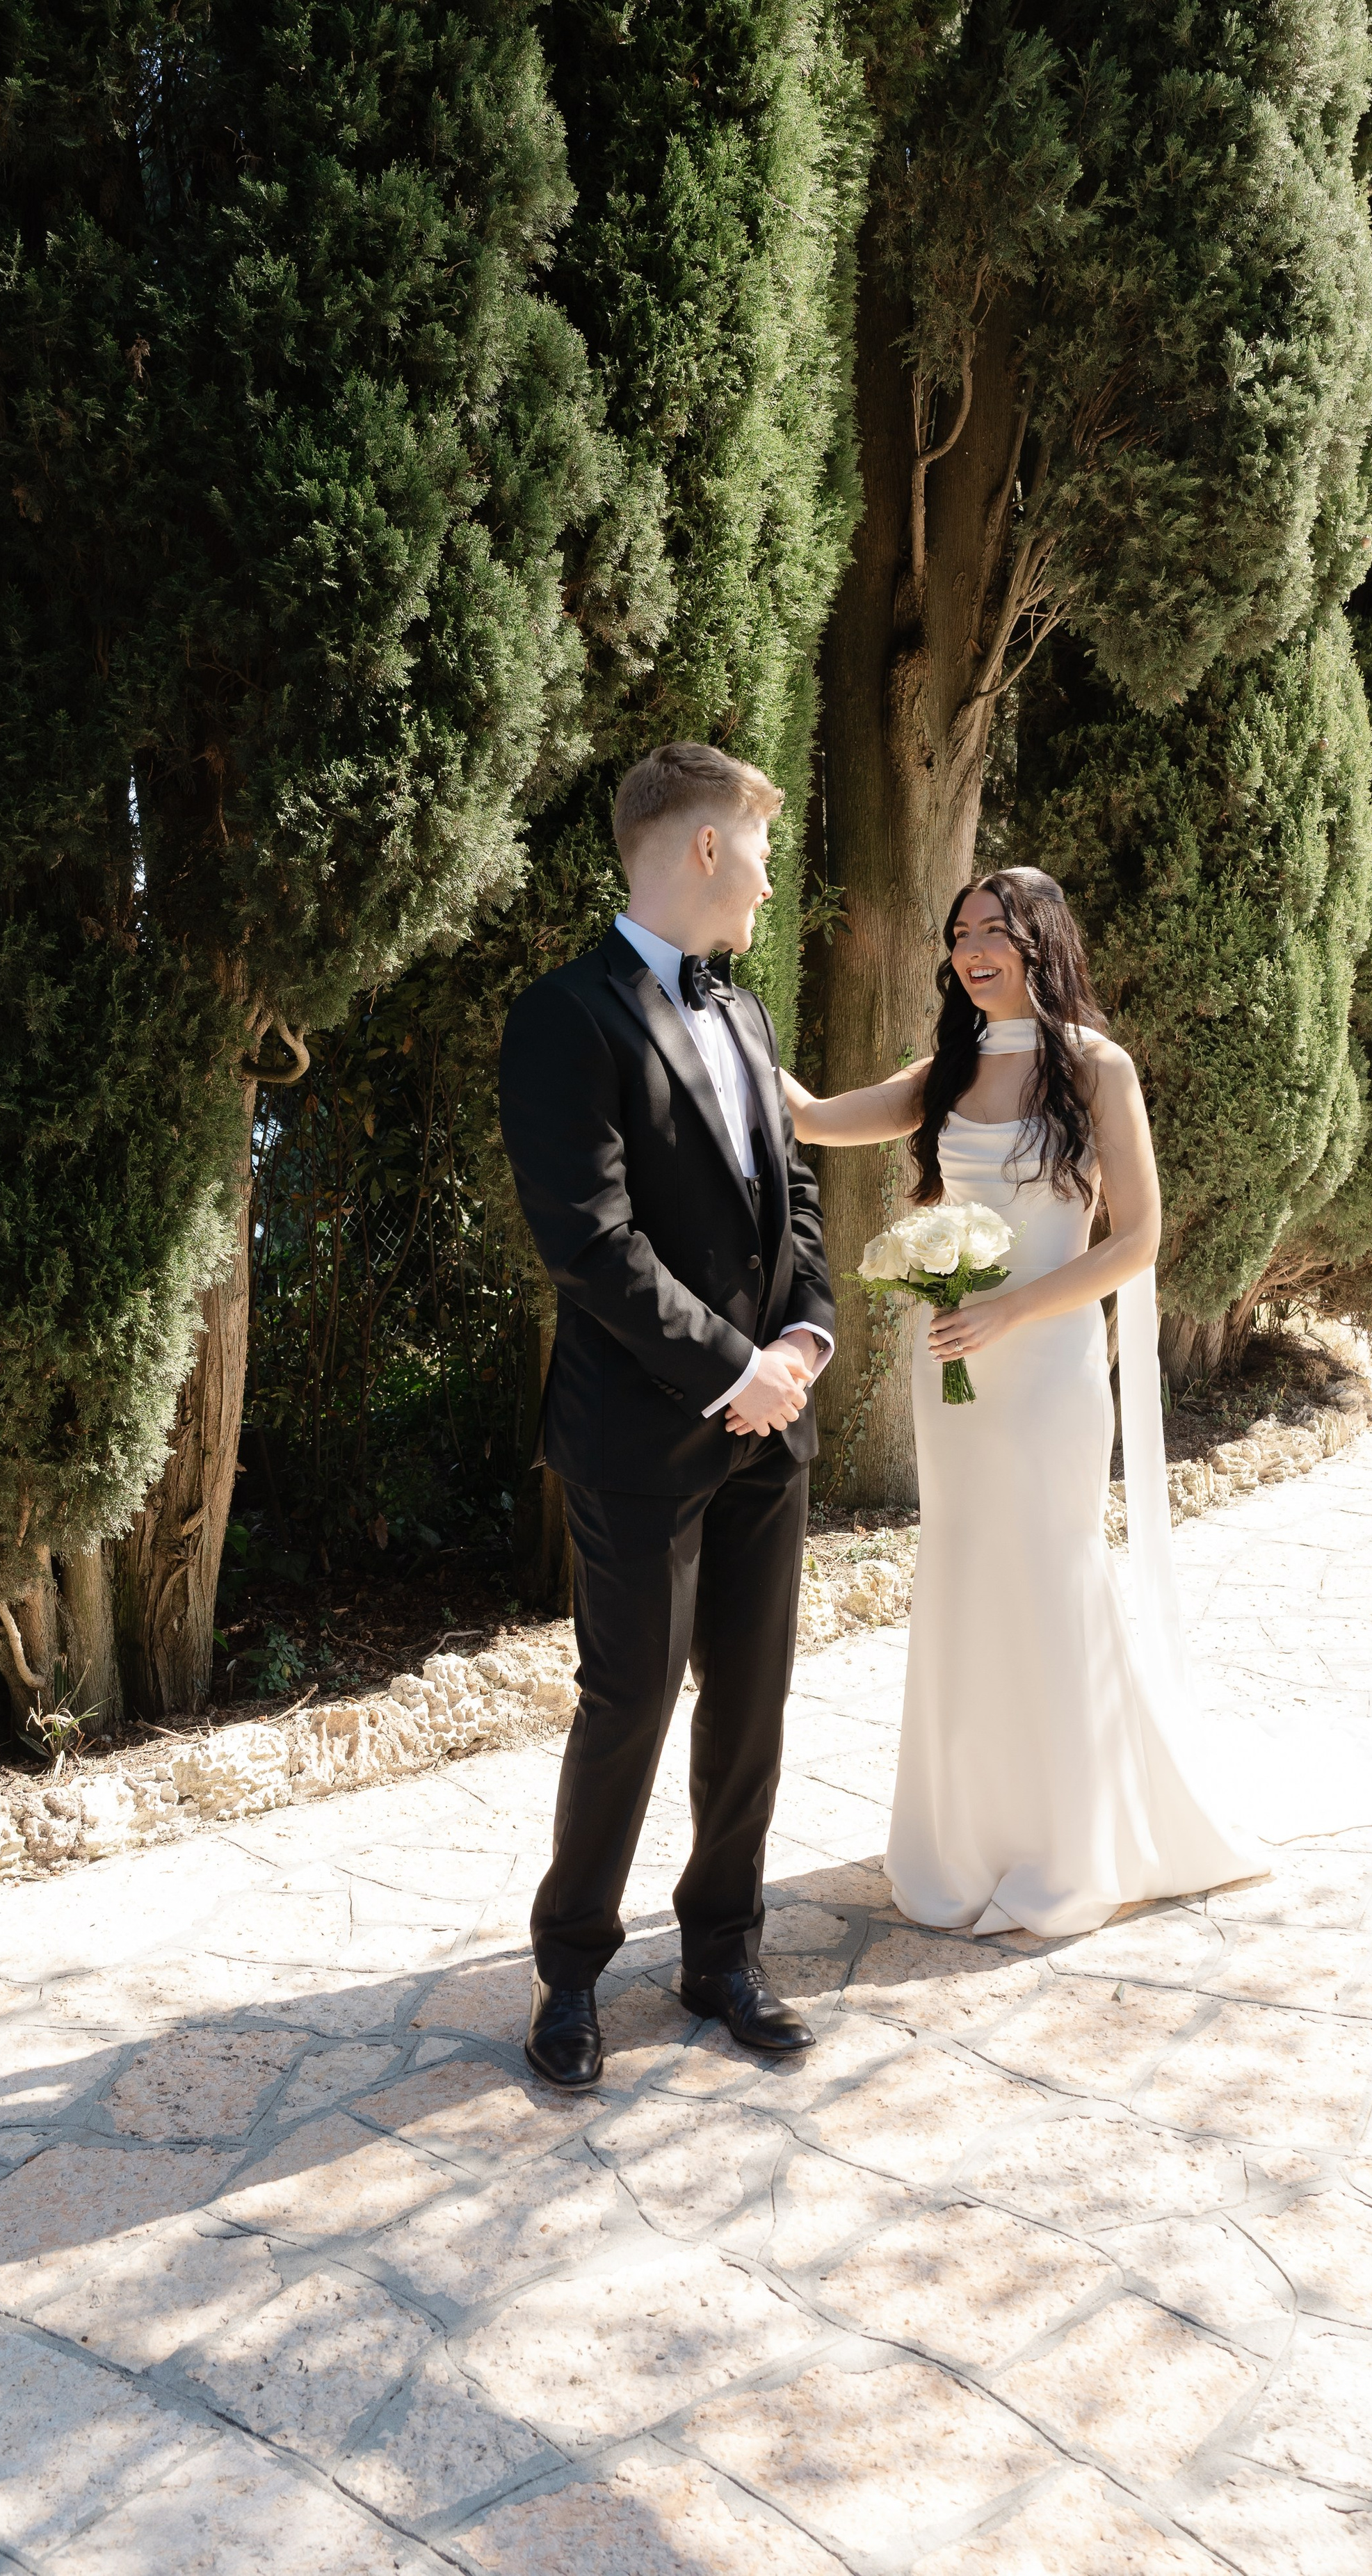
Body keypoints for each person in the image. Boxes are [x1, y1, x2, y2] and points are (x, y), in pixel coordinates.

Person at [780, 865, 1268, 1938]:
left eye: (995, 929)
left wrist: (1011, 1316)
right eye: (959, 933)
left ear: (1043, 940)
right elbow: (812, 1118)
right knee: (963, 1574)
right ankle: (968, 1837)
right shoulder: (945, 1069)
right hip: (950, 1368)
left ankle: (1067, 1845)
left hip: (1045, 1373)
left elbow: (1135, 1239)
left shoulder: (1099, 1068)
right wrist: (714, 1022)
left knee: (1048, 1574)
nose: (972, 948)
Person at [499, 742, 837, 2086]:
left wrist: (804, 1335)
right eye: (759, 844)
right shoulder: (563, 1018)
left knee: (750, 1702)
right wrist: (730, 1367)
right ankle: (572, 1972)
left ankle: (723, 1954)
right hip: (643, 1433)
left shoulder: (747, 1015)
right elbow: (593, 1244)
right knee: (629, 1702)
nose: (768, 873)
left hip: (774, 1418)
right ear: (703, 847)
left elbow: (792, 1202)